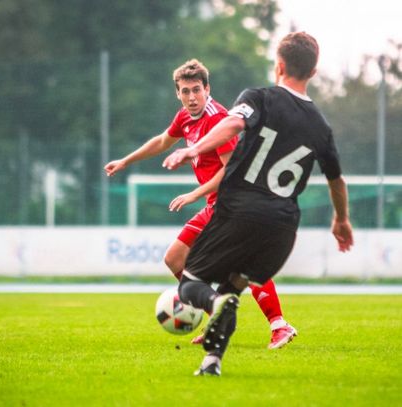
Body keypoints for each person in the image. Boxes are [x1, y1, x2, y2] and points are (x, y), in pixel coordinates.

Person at [163, 32, 354, 377]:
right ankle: (212, 361)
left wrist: (194, 149)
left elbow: (233, 123)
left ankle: (218, 309)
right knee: (232, 288)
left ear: (279, 66)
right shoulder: (321, 126)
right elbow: (336, 180)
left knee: (191, 285)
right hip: (282, 228)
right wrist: (342, 220)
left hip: (240, 211)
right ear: (313, 72)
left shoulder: (259, 97)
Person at [105, 59, 297, 349]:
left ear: (207, 89)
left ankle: (279, 325)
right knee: (175, 259)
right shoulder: (185, 117)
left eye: (196, 90)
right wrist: (125, 161)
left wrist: (194, 194)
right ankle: (218, 317)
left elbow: (231, 171)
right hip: (216, 205)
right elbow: (162, 141)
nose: (192, 97)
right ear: (178, 94)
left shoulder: (217, 119)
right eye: (185, 91)